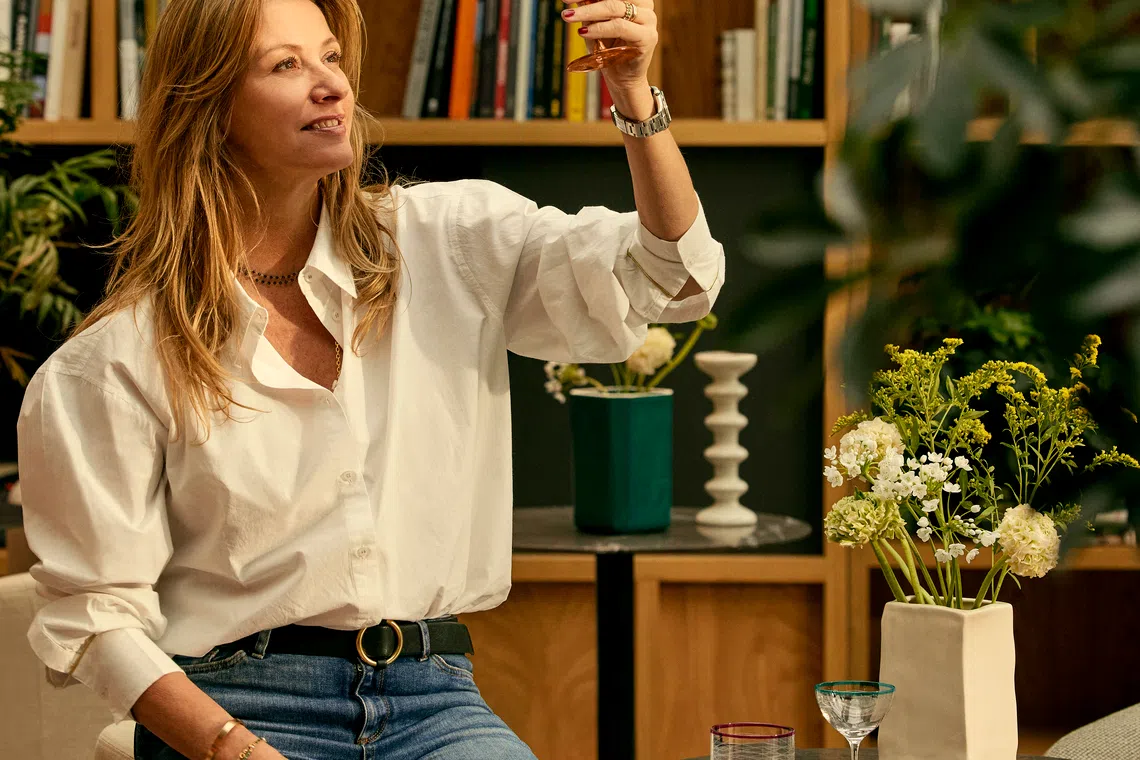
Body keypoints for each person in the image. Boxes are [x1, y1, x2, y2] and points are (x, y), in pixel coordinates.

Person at [15, 0, 724, 757]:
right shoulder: (115, 361)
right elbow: (97, 619)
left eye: (330, 57)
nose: (332, 85)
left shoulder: (447, 241)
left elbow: (670, 280)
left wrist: (635, 96)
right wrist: (233, 748)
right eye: (286, 65)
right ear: (209, 109)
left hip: (434, 700)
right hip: (235, 704)